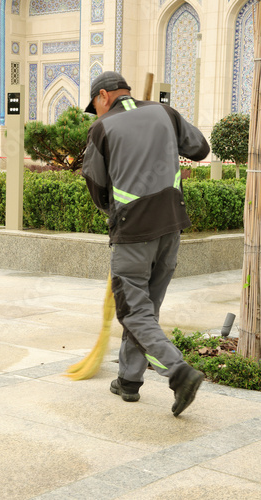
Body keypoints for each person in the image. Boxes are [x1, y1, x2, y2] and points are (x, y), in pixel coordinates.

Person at [82, 71, 210, 417]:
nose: (97, 114)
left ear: (104, 96)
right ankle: (128, 380)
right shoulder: (164, 113)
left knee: (133, 311)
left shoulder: (102, 129)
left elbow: (95, 183)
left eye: (96, 106)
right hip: (171, 226)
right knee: (145, 310)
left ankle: (178, 372)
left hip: (133, 230)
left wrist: (117, 210)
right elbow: (200, 149)